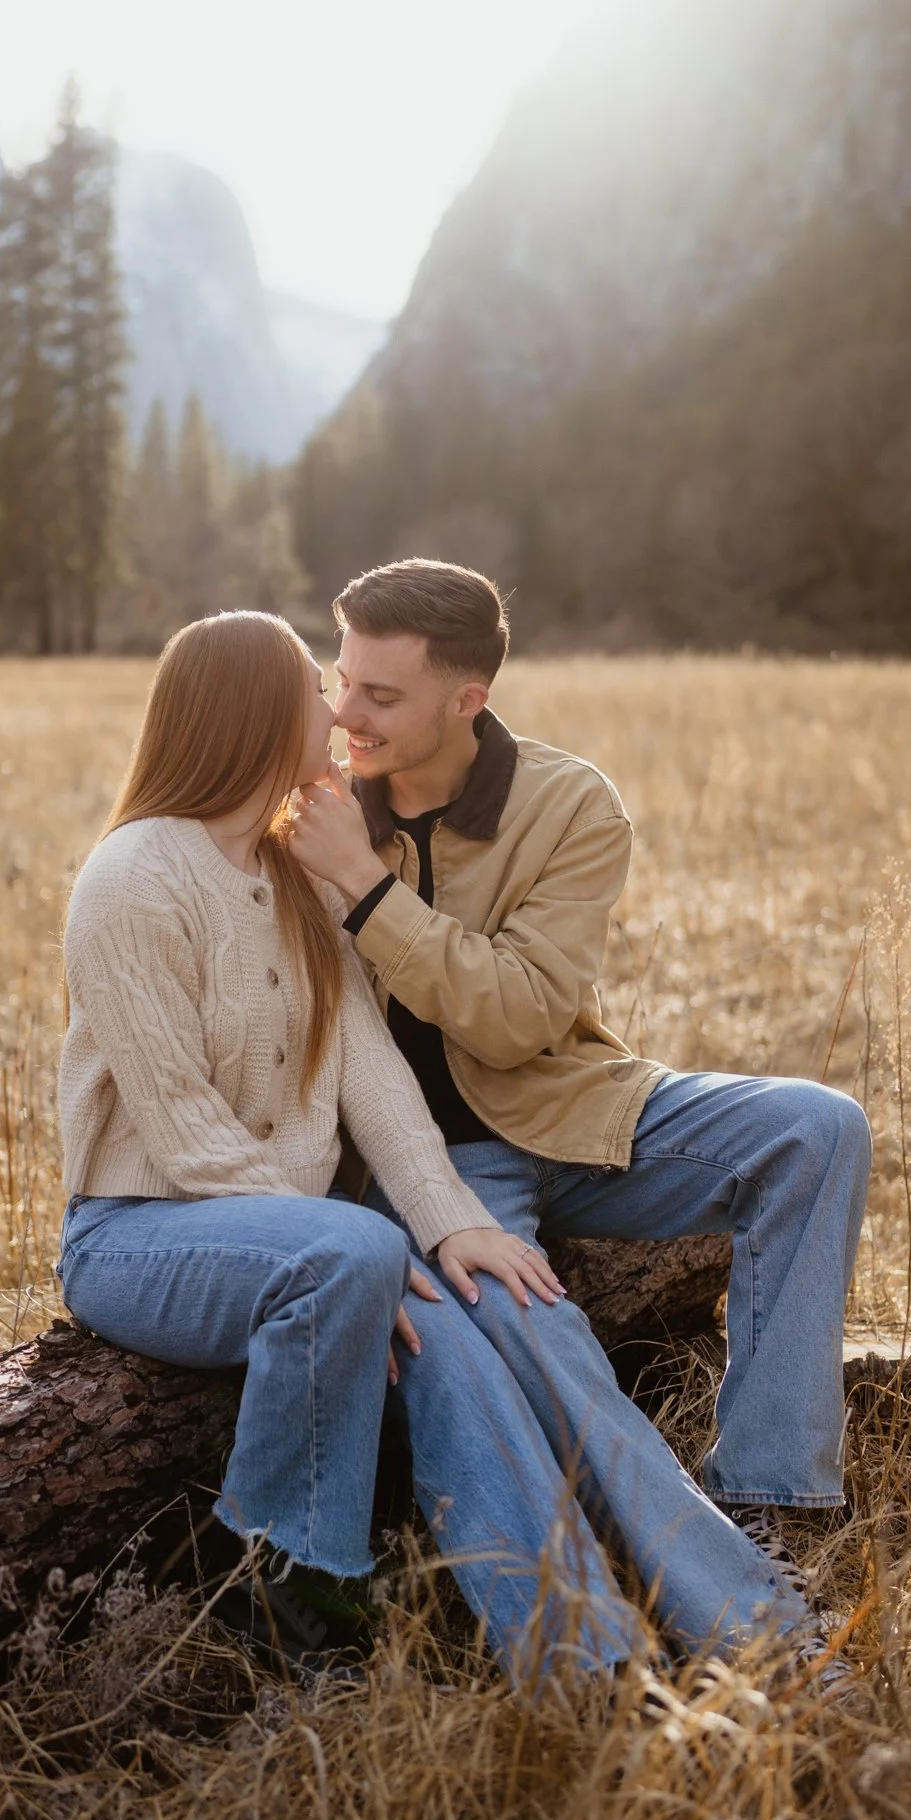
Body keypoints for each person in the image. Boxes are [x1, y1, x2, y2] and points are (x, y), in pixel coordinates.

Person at [56, 611, 804, 1687]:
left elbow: (372, 1076)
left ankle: (591, 1662)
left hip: (301, 1250)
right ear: (252, 716)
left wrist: (455, 1224)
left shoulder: (299, 871)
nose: (335, 709)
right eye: (316, 686)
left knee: (464, 1319)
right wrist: (352, 1250)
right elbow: (184, 1136)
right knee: (366, 1260)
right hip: (138, 1237)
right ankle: (293, 1608)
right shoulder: (131, 879)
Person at [286, 557, 872, 1605]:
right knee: (530, 1323)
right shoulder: (313, 803)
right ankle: (697, 1588)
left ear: (467, 700)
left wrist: (367, 888)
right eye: (340, 680)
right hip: (427, 1166)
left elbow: (518, 1019)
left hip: (565, 1108)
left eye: (380, 694)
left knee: (816, 1127)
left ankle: (762, 1495)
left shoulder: (566, 805)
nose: (345, 712)